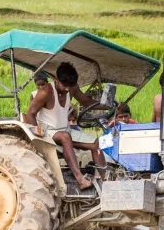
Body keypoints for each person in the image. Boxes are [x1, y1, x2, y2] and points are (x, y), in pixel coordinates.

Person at [23, 62, 105, 190]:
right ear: (57, 80)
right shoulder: (46, 92)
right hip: (47, 132)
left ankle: (106, 181)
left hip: (64, 130)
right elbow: (30, 114)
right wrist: (38, 138)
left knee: (95, 144)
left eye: (70, 86)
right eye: (65, 85)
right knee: (65, 136)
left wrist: (109, 105)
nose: (67, 89)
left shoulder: (71, 87)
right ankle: (80, 179)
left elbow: (86, 102)